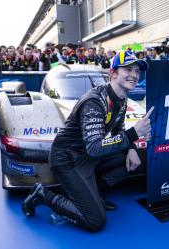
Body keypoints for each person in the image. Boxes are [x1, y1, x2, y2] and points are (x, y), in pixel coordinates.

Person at [22, 50, 153, 232]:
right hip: (67, 160)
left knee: (139, 156)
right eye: (128, 69)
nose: (134, 75)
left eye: (137, 71)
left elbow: (118, 130)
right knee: (95, 221)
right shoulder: (95, 101)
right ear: (113, 73)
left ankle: (93, 194)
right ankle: (44, 195)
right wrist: (134, 134)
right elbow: (95, 148)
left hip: (87, 156)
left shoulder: (122, 99)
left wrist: (131, 147)